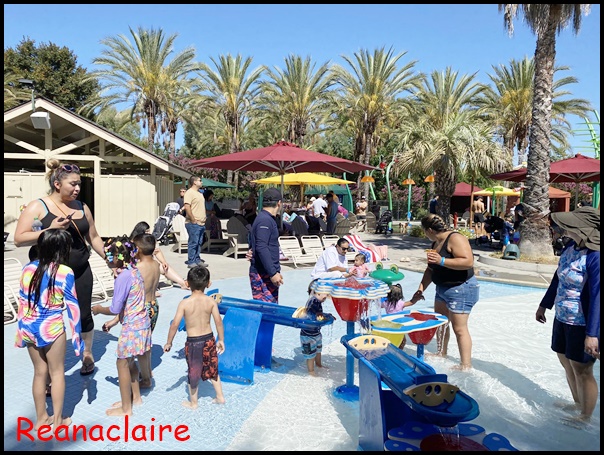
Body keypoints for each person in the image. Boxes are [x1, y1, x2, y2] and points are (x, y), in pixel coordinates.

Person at [14, 159, 105, 376]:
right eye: (73, 184)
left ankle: (87, 354)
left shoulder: (82, 207)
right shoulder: (38, 206)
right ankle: (45, 368)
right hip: (48, 275)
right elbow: (19, 238)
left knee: (84, 314)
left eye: (79, 184)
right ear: (57, 184)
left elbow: (93, 236)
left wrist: (111, 260)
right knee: (45, 317)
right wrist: (49, 230)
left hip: (79, 270)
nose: (78, 188)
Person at [536, 207, 599, 424]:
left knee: (582, 369)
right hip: (563, 316)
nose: (563, 228)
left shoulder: (595, 256)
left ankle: (585, 416)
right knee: (566, 362)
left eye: (569, 224)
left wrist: (592, 334)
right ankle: (578, 403)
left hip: (583, 323)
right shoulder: (571, 247)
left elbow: (598, 296)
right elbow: (558, 278)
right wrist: (544, 305)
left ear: (583, 229)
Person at [15, 229, 82, 430]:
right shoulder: (64, 272)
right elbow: (73, 307)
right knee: (57, 372)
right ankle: (58, 421)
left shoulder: (28, 268)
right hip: (51, 328)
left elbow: (22, 302)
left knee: (39, 373)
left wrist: (20, 333)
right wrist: (77, 339)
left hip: (29, 326)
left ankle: (41, 419)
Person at [92, 235, 151, 416]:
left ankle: (126, 409)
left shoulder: (123, 277)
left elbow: (115, 308)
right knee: (130, 362)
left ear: (118, 258)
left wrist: (99, 309)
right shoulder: (133, 271)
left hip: (132, 327)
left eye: (109, 256)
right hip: (143, 323)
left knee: (122, 364)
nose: (106, 259)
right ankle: (136, 398)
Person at [413, 214, 479, 371]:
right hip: (443, 289)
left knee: (459, 329)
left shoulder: (456, 238)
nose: (425, 235)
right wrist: (421, 288)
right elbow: (430, 269)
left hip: (461, 288)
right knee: (441, 323)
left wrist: (441, 260)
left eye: (424, 231)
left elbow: (468, 261)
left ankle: (465, 365)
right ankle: (441, 352)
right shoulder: (436, 243)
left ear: (430, 230)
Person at [164, 265, 226, 407]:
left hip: (193, 343)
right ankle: (220, 397)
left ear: (187, 283)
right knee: (212, 369)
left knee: (193, 372)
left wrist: (169, 342)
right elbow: (218, 321)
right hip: (209, 340)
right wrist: (221, 339)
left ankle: (193, 403)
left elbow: (174, 324)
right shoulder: (211, 301)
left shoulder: (184, 303)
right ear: (209, 283)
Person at [132, 233, 161, 388]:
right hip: (154, 306)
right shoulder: (156, 265)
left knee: (140, 345)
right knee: (147, 340)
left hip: (142, 308)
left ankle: (145, 379)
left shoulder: (138, 268)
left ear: (138, 249)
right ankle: (148, 370)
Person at [249, 187, 284, 303]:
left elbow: (257, 243)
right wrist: (273, 273)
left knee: (270, 308)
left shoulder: (265, 218)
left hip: (266, 272)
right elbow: (261, 247)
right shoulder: (265, 220)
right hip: (263, 273)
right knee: (266, 309)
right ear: (279, 203)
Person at [129, 221, 188, 289]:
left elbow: (157, 251)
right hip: (137, 265)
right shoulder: (133, 242)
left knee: (165, 267)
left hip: (149, 263)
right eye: (146, 231)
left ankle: (182, 283)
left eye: (149, 231)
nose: (149, 233)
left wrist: (163, 262)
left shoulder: (149, 240)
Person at [380, 283, 424, 349]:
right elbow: (411, 302)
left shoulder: (386, 303)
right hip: (399, 325)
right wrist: (417, 298)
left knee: (391, 339)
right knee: (402, 341)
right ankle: (399, 351)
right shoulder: (400, 303)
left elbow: (380, 305)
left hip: (390, 324)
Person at [300, 280, 330, 376]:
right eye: (324, 293)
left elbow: (319, 314)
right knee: (310, 355)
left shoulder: (317, 301)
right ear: (316, 292)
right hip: (308, 335)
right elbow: (315, 316)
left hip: (316, 333)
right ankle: (311, 371)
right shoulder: (313, 301)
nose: (326, 295)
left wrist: (327, 316)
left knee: (318, 351)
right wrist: (324, 318)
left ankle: (319, 365)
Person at [183, 175, 207, 268]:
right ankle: (191, 261)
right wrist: (193, 219)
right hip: (193, 223)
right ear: (194, 182)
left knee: (199, 243)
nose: (201, 182)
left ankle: (197, 259)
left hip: (201, 223)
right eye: (200, 180)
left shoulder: (200, 193)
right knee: (193, 242)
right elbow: (187, 206)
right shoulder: (189, 193)